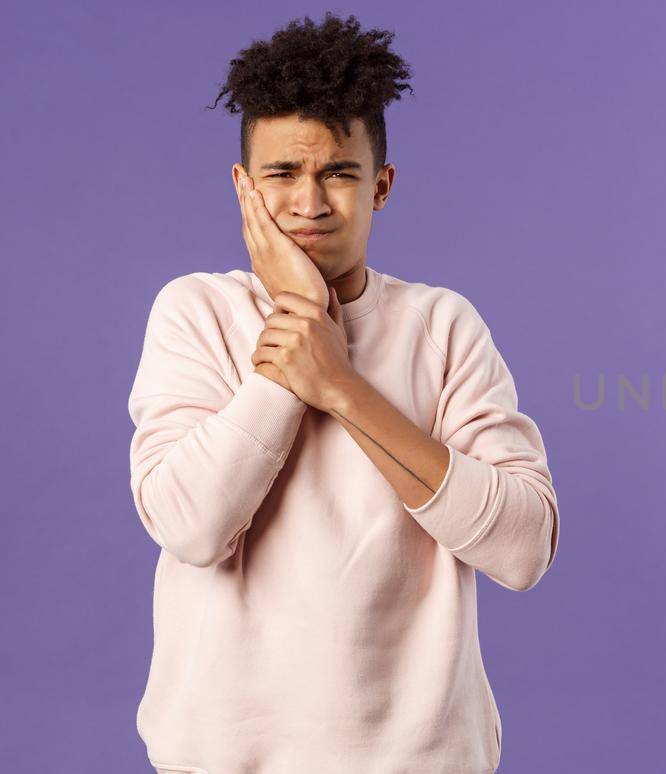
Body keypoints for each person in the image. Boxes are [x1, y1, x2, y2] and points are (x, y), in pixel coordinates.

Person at [126, 13, 560, 773]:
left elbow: (523, 550)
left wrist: (341, 386)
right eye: (282, 174)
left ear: (381, 186)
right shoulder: (195, 313)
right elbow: (191, 527)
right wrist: (297, 327)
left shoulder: (443, 327)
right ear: (243, 187)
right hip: (222, 759)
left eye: (339, 172)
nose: (310, 202)